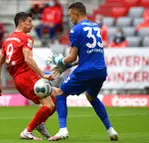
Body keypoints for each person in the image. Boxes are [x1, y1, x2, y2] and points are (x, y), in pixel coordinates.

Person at [46, 2, 118, 141]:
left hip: (86, 71)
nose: (70, 18)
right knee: (91, 97)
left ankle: (62, 130)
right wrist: (68, 66)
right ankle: (111, 130)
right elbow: (86, 55)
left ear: (75, 13)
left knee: (60, 93)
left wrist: (60, 61)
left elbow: (72, 56)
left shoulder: (76, 30)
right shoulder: (95, 27)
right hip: (101, 70)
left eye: (70, 15)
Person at [0, 12, 56, 140]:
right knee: (49, 105)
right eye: (29, 21)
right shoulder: (26, 38)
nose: (32, 25)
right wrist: (43, 74)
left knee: (58, 97)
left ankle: (40, 123)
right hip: (27, 76)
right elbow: (28, 59)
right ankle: (27, 131)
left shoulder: (8, 40)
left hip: (19, 79)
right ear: (21, 22)